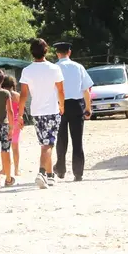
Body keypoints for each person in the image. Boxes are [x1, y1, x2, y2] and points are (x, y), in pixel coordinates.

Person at [19, 38, 65, 189]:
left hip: (36, 111)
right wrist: (62, 105)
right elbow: (60, 90)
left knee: (44, 144)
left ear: (32, 52)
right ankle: (41, 173)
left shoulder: (27, 71)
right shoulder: (54, 69)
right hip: (52, 110)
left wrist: (19, 114)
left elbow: (24, 94)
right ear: (46, 50)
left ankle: (51, 176)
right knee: (48, 144)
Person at [52, 41, 93, 182]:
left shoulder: (54, 68)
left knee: (61, 139)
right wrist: (88, 107)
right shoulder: (78, 67)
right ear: (69, 52)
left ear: (58, 53)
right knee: (77, 140)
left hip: (59, 106)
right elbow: (86, 89)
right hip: (76, 105)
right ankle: (78, 173)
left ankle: (61, 169)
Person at [1, 76, 23, 177]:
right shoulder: (17, 95)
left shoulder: (1, 95)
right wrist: (21, 120)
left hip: (4, 122)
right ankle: (16, 170)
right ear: (13, 84)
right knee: (15, 147)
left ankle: (4, 169)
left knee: (5, 148)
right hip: (15, 123)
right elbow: (21, 109)